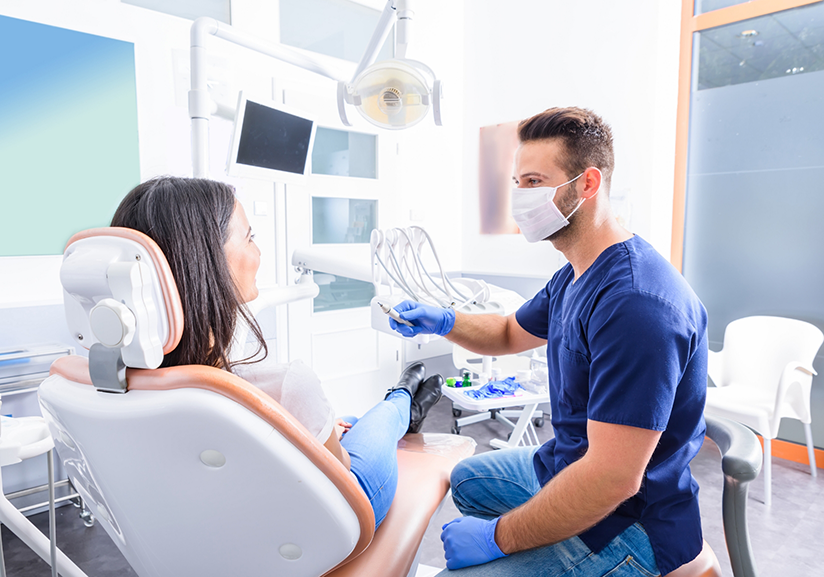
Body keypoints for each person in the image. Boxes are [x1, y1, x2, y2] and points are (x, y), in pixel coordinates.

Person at [389, 107, 708, 575]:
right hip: (569, 464)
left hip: (628, 522)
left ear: (587, 184)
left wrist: (499, 537)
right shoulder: (574, 275)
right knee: (466, 481)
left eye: (535, 182)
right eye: (518, 183)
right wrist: (443, 321)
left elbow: (612, 479)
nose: (520, 198)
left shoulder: (637, 305)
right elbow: (506, 332)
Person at [110, 176, 443, 529]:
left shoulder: (112, 384)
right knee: (380, 421)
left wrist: (318, 425)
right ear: (206, 262)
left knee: (347, 422)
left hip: (206, 533)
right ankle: (404, 399)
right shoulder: (286, 385)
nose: (258, 251)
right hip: (328, 529)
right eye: (250, 237)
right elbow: (341, 482)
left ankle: (386, 409)